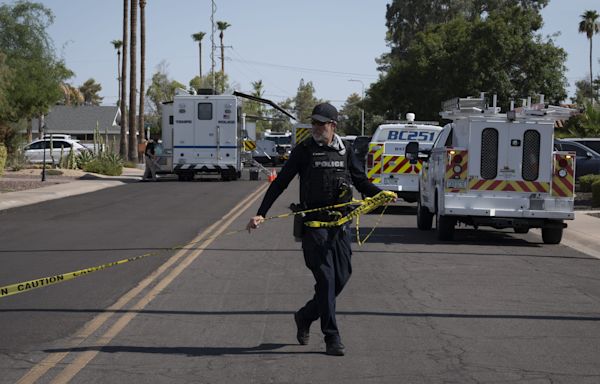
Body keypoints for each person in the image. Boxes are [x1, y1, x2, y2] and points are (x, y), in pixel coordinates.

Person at [246, 103, 386, 356]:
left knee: (341, 278)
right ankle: (332, 337)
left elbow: (361, 181)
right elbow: (280, 184)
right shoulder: (304, 151)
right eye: (314, 123)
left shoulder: (346, 151)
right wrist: (261, 213)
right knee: (326, 279)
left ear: (333, 125)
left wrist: (382, 194)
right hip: (313, 227)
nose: (316, 128)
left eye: (321, 124)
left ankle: (305, 316)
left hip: (340, 225)